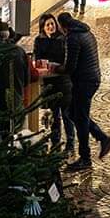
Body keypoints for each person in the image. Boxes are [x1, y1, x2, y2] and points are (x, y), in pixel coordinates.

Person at [58, 10, 110, 170]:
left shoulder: (73, 37)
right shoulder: (86, 32)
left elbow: (70, 66)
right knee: (72, 113)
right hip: (91, 78)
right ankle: (101, 138)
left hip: (84, 81)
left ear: (63, 26)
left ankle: (86, 157)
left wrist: (56, 68)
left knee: (80, 117)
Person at [32, 12, 70, 147]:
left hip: (62, 80)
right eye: (47, 24)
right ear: (43, 27)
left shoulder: (62, 39)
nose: (50, 27)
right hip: (48, 82)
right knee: (53, 114)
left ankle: (70, 143)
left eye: (52, 24)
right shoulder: (39, 40)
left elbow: (65, 60)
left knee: (66, 114)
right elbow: (37, 58)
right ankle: (55, 141)